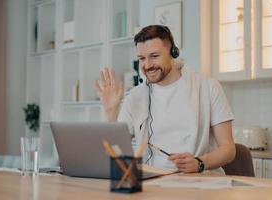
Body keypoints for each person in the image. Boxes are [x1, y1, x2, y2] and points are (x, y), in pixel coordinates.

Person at [95, 25, 236, 174]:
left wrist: (200, 163)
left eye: (154, 56)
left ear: (173, 53)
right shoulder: (135, 97)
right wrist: (111, 111)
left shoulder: (208, 87)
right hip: (152, 183)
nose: (147, 65)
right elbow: (116, 152)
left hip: (199, 181)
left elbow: (228, 149)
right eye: (142, 58)